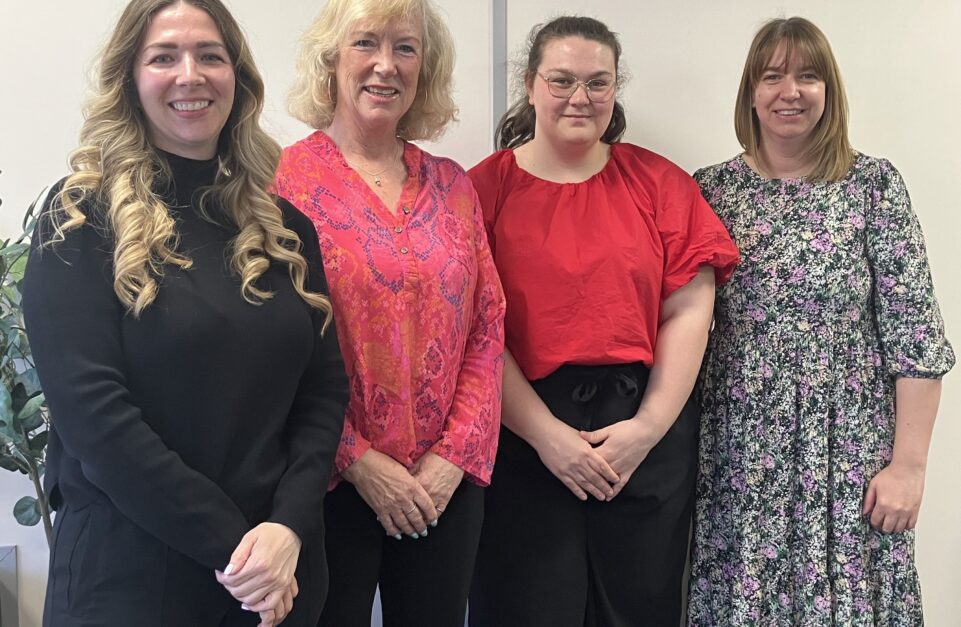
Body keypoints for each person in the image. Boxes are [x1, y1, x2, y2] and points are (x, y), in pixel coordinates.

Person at [22, 1, 348, 625]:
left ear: (237, 77)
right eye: (164, 57)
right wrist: (235, 549)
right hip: (135, 580)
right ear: (130, 78)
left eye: (210, 56)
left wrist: (289, 525)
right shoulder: (78, 222)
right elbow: (95, 419)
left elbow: (324, 390)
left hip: (278, 580)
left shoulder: (285, 230)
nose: (190, 75)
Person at [465, 16, 739, 627]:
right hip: (523, 436)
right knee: (527, 608)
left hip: (644, 431)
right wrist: (546, 437)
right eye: (561, 80)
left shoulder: (658, 182)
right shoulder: (483, 190)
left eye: (598, 82)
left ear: (615, 88)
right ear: (530, 85)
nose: (580, 97)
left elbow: (689, 309)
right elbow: (477, 332)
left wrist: (647, 429)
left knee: (638, 608)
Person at [687, 17, 955, 626]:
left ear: (828, 90)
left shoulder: (873, 186)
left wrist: (909, 468)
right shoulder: (710, 192)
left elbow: (915, 337)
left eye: (808, 76)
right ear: (751, 92)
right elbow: (683, 325)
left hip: (849, 452)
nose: (791, 91)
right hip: (742, 453)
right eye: (773, 76)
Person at [273, 0, 505, 625]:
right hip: (326, 479)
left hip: (442, 489)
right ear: (331, 58)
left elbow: (487, 326)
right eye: (365, 43)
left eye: (405, 47)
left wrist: (453, 457)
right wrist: (355, 460)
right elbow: (272, 345)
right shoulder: (280, 183)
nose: (386, 64)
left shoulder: (454, 185)